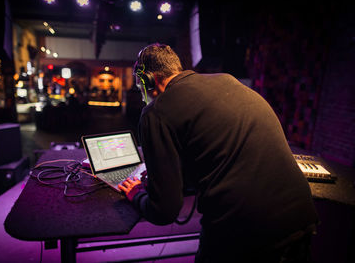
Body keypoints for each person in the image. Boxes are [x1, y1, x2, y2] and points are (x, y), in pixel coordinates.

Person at [118, 43, 319, 262]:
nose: (143, 97)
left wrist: (136, 194)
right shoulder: (227, 80)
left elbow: (164, 212)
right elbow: (216, 150)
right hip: (300, 216)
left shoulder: (155, 113)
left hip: (246, 230)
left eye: (141, 89)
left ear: (150, 80)